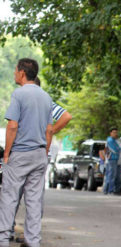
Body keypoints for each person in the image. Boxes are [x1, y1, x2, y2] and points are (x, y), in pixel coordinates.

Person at [9, 76, 73, 244]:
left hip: (25, 154)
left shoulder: (33, 101)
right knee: (34, 198)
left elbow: (66, 116)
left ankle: (11, 230)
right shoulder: (42, 102)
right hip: (38, 154)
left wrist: (49, 133)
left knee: (15, 194)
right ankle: (30, 236)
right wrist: (48, 134)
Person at [0, 58, 53, 247]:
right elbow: (49, 130)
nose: (14, 73)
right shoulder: (46, 97)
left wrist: (7, 153)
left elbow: (12, 126)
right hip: (39, 154)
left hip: (21, 153)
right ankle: (33, 242)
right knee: (34, 201)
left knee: (9, 197)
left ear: (22, 72)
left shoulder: (19, 94)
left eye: (15, 70)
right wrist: (43, 152)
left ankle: (3, 240)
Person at [105, 128, 121, 195]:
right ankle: (109, 190)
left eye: (116, 132)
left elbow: (119, 148)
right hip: (112, 159)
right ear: (110, 133)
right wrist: (120, 149)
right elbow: (115, 149)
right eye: (114, 132)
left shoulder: (115, 140)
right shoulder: (110, 140)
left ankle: (114, 190)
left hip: (116, 159)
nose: (115, 134)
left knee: (117, 176)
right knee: (112, 175)